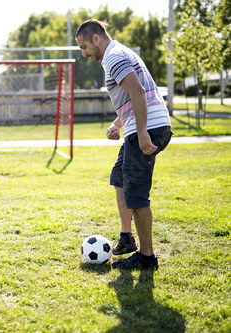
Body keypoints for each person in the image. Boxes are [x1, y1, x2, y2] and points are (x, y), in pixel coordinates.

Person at [75, 19, 172, 269]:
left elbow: (138, 92)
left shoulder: (114, 57)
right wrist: (119, 124)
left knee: (136, 192)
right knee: (119, 177)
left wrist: (141, 133)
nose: (84, 54)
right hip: (144, 125)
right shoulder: (120, 53)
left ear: (97, 39)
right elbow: (135, 95)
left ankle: (147, 257)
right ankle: (127, 237)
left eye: (85, 47)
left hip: (148, 128)